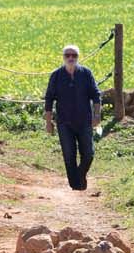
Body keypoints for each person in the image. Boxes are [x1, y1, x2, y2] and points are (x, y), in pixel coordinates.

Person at [43, 43, 102, 190]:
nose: (70, 58)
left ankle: (80, 175)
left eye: (74, 55)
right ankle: (75, 185)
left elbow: (96, 95)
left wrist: (97, 115)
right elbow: (49, 99)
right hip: (64, 122)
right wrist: (48, 122)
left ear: (78, 57)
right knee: (69, 155)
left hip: (84, 121)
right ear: (63, 57)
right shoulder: (56, 75)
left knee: (88, 154)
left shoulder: (86, 73)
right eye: (67, 55)